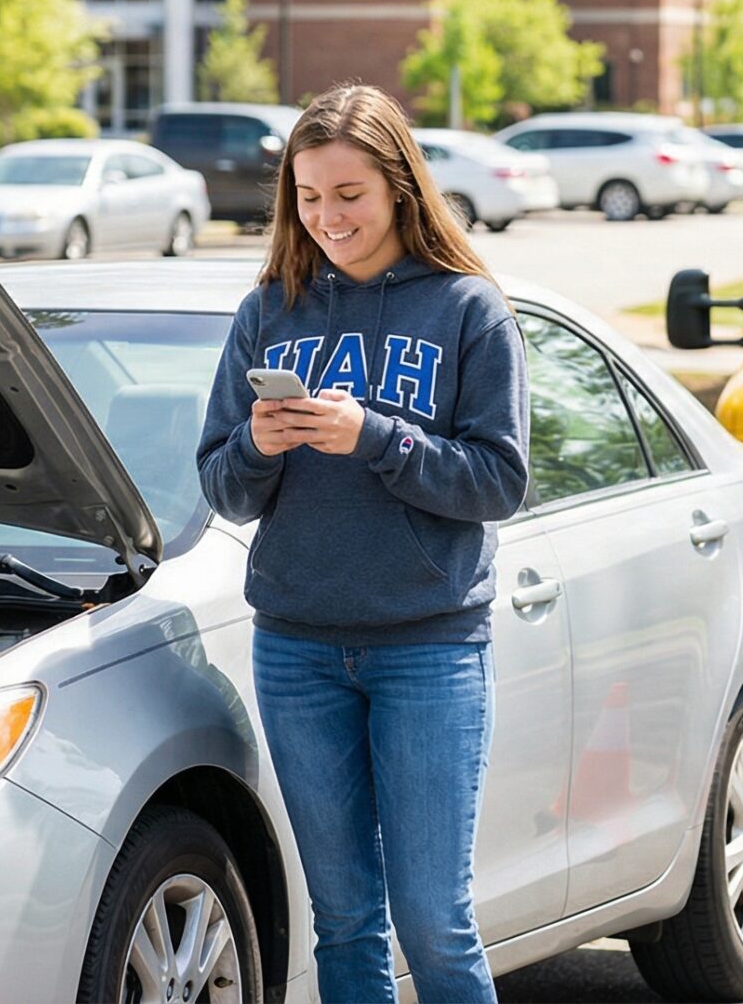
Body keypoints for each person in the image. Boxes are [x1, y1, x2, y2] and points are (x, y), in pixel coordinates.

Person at [197, 83, 530, 1004]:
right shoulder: (269, 310)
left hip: (428, 645)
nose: (328, 216)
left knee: (434, 921)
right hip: (297, 647)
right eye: (309, 196)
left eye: (349, 193)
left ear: (399, 187)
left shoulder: (467, 308)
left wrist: (376, 438)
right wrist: (257, 445)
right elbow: (221, 486)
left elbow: (499, 481)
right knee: (343, 922)